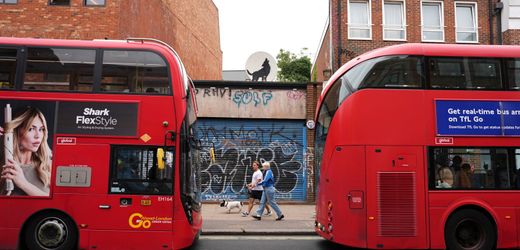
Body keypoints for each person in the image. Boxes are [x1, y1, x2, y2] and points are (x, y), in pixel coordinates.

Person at [1, 106, 52, 196]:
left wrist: (23, 183)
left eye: (41, 129)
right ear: (16, 131)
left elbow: (58, 204)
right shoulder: (4, 165)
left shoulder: (48, 166)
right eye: (31, 129)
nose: (38, 135)